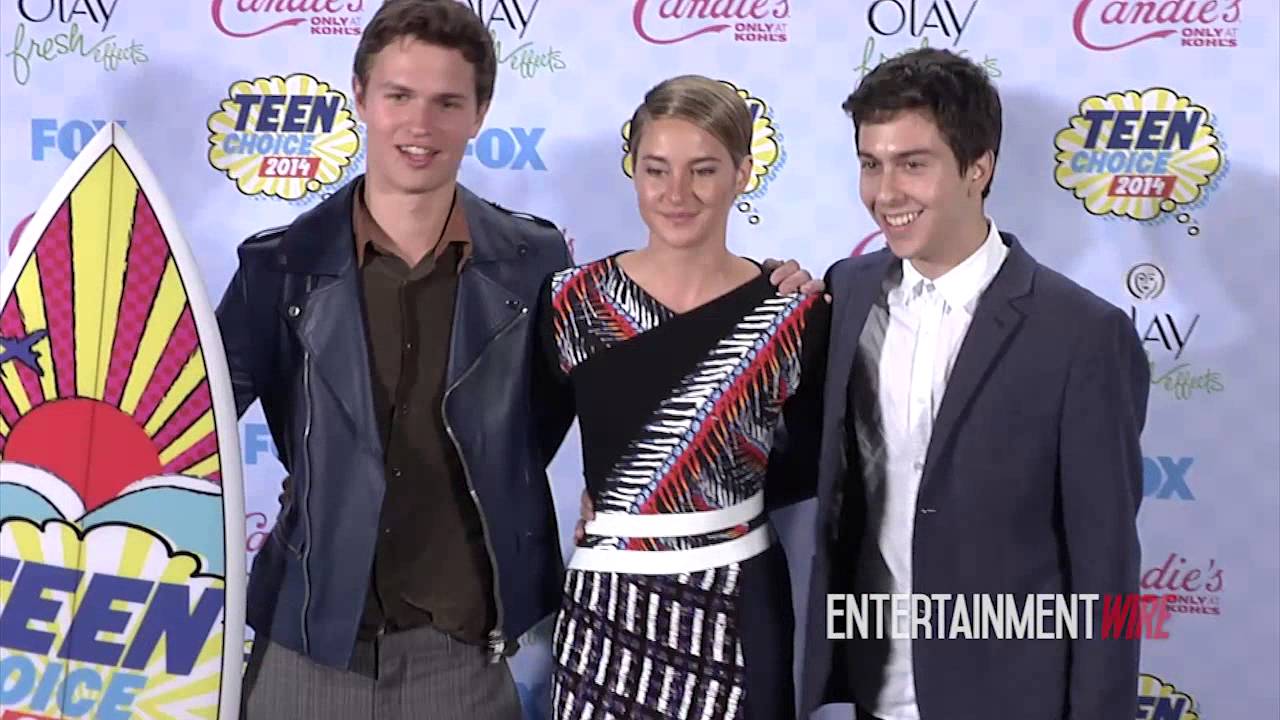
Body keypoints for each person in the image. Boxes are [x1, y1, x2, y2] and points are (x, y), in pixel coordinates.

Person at [216, 2, 821, 718]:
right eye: (399, 96)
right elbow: (193, 429)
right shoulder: (278, 269)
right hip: (308, 640)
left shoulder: (535, 265)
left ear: (480, 113)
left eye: (447, 102)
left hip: (466, 653)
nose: (420, 125)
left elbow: (588, 410)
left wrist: (771, 289)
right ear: (360, 97)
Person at [798, 48, 1149, 720]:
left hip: (1011, 697)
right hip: (872, 690)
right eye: (871, 164)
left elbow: (1106, 572)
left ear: (978, 167)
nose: (885, 193)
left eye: (913, 163)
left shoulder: (1081, 335)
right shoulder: (848, 288)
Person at [538, 75, 830, 720]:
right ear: (633, 171)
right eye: (656, 169)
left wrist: (687, 484)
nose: (676, 194)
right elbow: (518, 450)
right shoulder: (572, 301)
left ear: (743, 173)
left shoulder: (792, 311)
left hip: (739, 598)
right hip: (606, 608)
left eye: (703, 170)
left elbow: (811, 464)